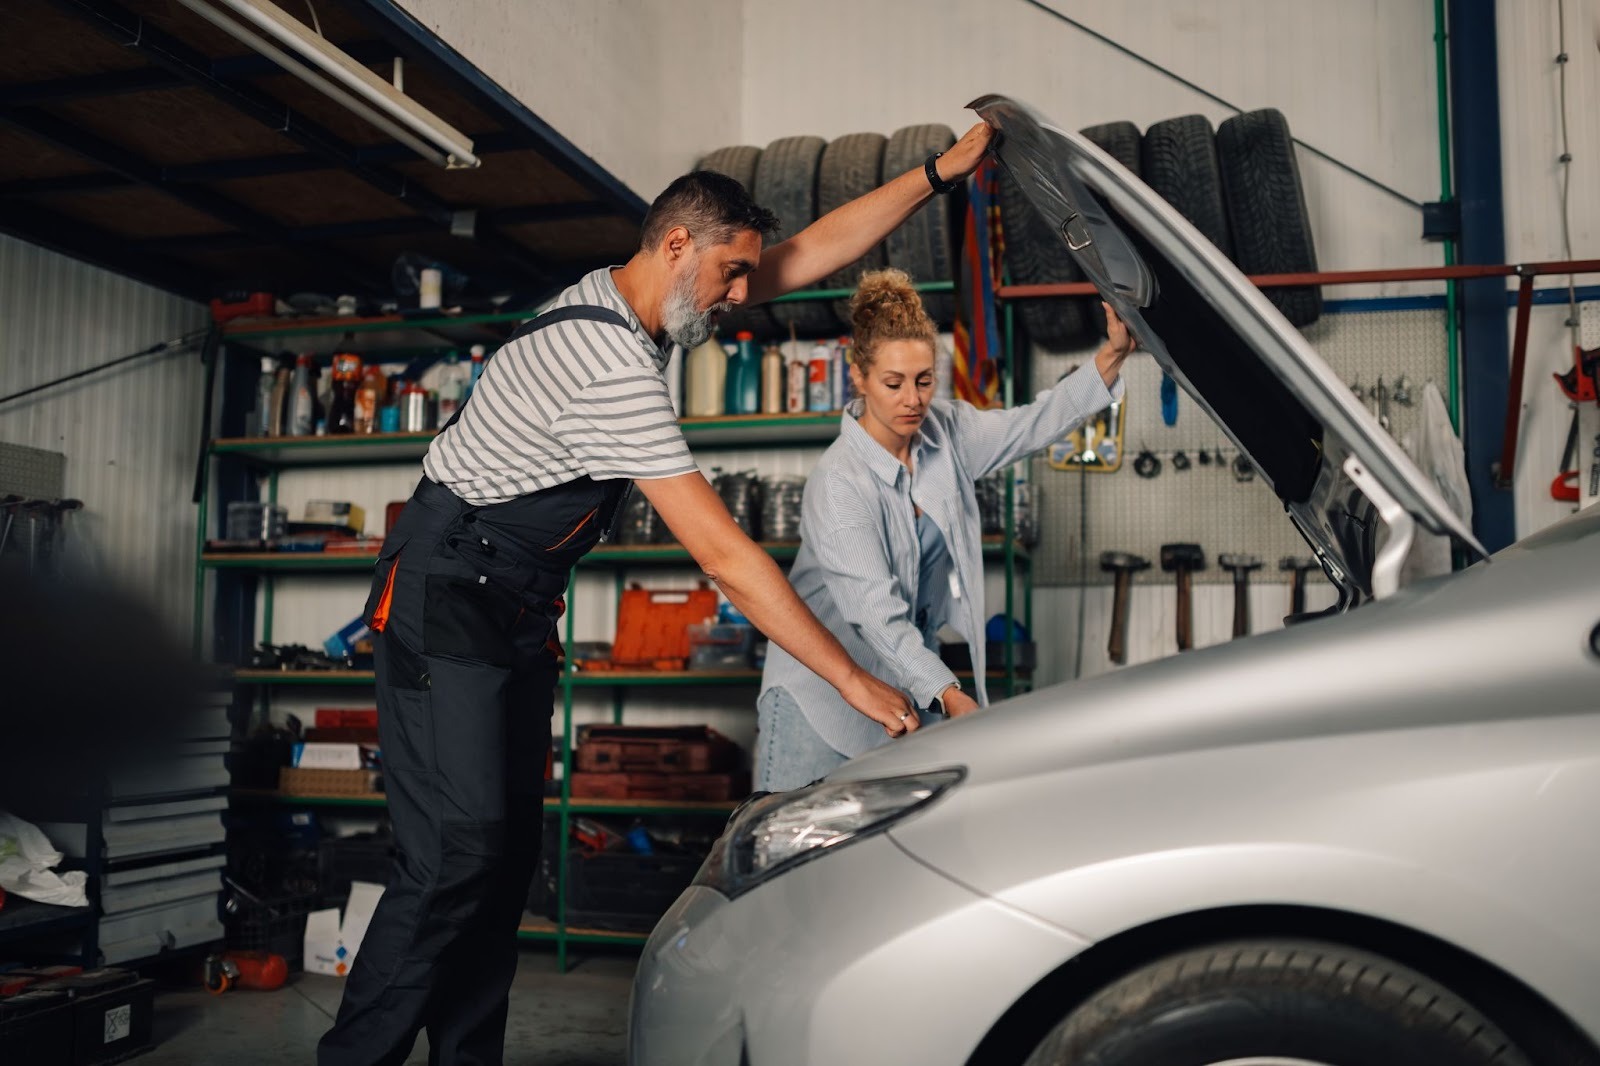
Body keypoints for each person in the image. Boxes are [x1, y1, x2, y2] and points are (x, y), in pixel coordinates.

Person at [318, 123, 996, 1066]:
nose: (740, 295)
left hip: (511, 604)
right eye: (728, 275)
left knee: (502, 865)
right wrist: (854, 679)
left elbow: (808, 252)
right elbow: (724, 557)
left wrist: (934, 176)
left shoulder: (637, 300)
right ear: (678, 245)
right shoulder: (608, 366)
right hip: (446, 595)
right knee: (451, 864)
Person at [755, 269, 1135, 791]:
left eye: (924, 380)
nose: (912, 399)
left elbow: (1030, 425)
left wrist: (1111, 356)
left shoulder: (947, 432)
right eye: (893, 383)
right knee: (789, 863)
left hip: (908, 697)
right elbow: (876, 617)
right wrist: (951, 694)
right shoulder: (839, 483)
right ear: (859, 378)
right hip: (819, 706)